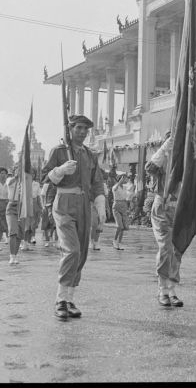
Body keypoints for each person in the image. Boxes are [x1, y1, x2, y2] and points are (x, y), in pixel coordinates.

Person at [42, 114, 106, 320]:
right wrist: (59, 170)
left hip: (84, 204)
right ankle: (60, 299)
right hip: (64, 203)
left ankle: (69, 299)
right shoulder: (59, 151)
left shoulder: (89, 154)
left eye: (85, 129)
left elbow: (96, 182)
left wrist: (100, 203)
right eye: (78, 128)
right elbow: (45, 177)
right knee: (72, 249)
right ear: (70, 129)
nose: (82, 132)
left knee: (82, 254)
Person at [145, 131, 185, 307]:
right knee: (166, 248)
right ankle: (162, 290)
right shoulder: (163, 159)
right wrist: (165, 148)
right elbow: (150, 168)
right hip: (163, 207)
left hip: (180, 208)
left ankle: (172, 289)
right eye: (173, 141)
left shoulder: (186, 160)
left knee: (177, 249)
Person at [111, 173, 133, 250]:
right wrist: (120, 181)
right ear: (121, 179)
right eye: (125, 178)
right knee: (119, 226)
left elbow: (128, 195)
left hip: (124, 206)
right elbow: (115, 189)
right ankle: (114, 240)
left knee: (123, 227)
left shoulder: (124, 187)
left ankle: (119, 243)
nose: (126, 179)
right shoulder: (115, 186)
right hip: (116, 206)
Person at [5, 171, 23, 265]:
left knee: (19, 234)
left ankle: (15, 255)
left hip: (22, 207)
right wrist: (16, 177)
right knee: (13, 232)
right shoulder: (10, 179)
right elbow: (9, 182)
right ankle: (11, 256)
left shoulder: (25, 182)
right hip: (12, 206)